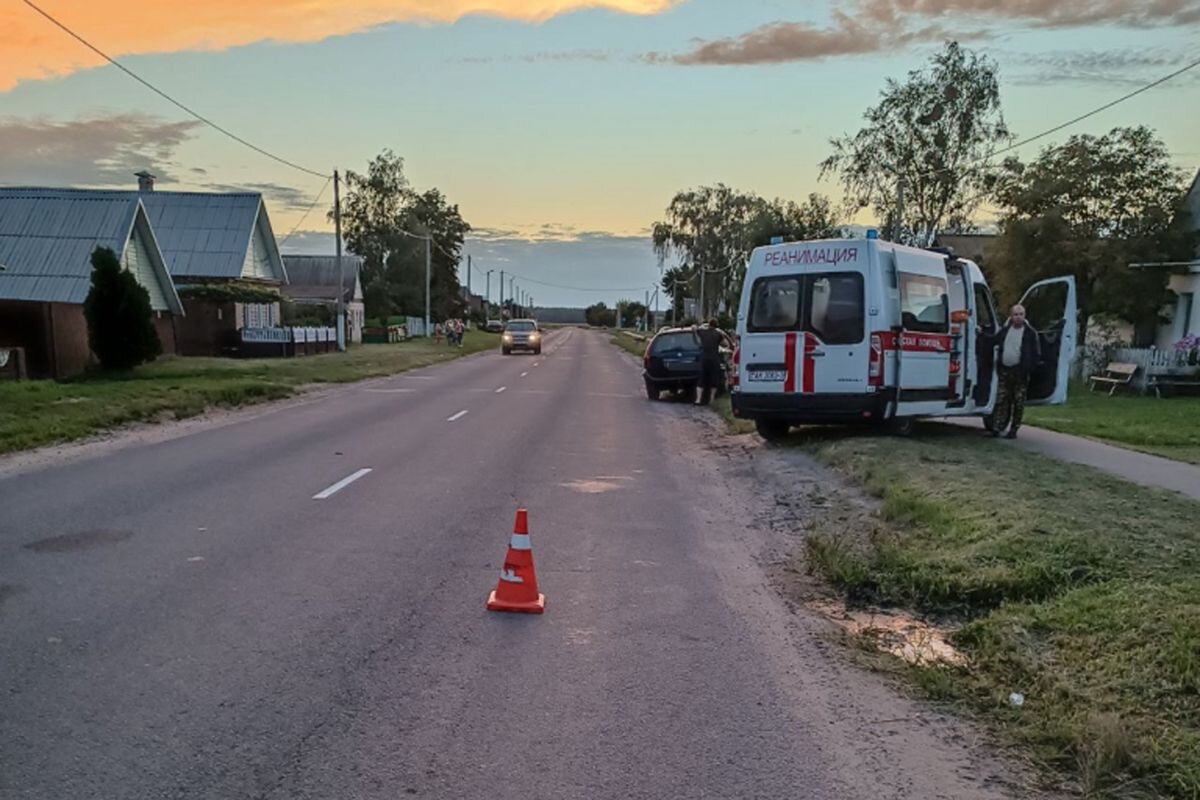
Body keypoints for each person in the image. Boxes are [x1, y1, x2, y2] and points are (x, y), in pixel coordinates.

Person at [991, 303, 1041, 439]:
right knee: (1001, 400)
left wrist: (1028, 368)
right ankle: (997, 427)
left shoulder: (1030, 333)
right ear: (1011, 316)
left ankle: (1014, 429)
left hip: (1020, 373)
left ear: (1024, 316)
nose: (1018, 317)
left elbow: (1036, 354)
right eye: (1015, 314)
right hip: (1005, 370)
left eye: (1021, 314)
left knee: (1018, 402)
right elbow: (993, 341)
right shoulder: (1005, 331)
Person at [694, 318, 725, 406]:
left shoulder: (702, 332)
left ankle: (698, 399)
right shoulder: (718, 334)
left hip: (704, 358)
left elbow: (695, 329)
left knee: (701, 379)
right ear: (716, 326)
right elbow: (725, 344)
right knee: (714, 379)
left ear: (709, 324)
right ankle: (711, 399)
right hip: (714, 359)